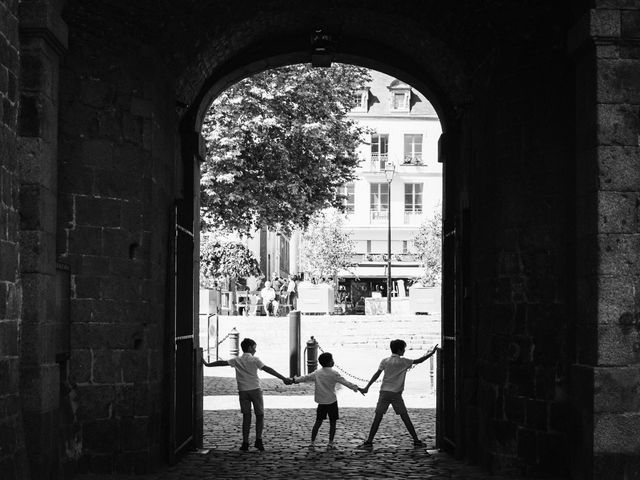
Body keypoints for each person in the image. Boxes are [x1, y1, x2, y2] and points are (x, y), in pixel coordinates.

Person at [202, 338, 292, 451]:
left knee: (246, 416)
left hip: (243, 391)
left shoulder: (236, 360)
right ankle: (258, 440)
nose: (255, 350)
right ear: (250, 347)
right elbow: (268, 369)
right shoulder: (255, 360)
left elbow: (222, 363)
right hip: (255, 390)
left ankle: (245, 442)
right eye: (254, 347)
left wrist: (207, 364)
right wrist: (283, 378)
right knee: (260, 415)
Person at [360, 339, 438, 449]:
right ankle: (416, 440)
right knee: (405, 417)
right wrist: (432, 353)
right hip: (396, 394)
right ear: (400, 350)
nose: (405, 351)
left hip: (384, 393)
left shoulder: (385, 360)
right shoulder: (404, 361)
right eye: (404, 349)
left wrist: (367, 387)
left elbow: (376, 375)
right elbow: (419, 360)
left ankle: (369, 440)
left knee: (377, 418)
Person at [292, 352, 364, 448]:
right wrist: (357, 388)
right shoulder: (334, 373)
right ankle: (330, 443)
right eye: (332, 359)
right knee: (333, 423)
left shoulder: (317, 373)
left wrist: (294, 380)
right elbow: (346, 382)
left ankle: (312, 442)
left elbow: (306, 377)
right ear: (330, 362)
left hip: (321, 402)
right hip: (332, 401)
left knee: (318, 422)